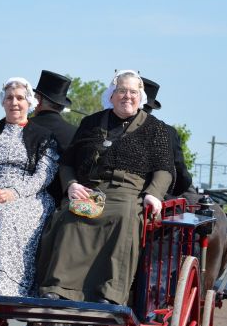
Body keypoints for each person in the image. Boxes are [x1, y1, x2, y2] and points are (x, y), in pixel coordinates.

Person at [37, 69, 175, 305]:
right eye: (121, 91)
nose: (127, 96)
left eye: (133, 92)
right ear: (111, 95)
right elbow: (67, 162)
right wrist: (71, 185)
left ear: (140, 96)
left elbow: (164, 169)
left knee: (124, 216)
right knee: (70, 217)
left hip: (128, 192)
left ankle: (109, 292)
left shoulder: (156, 128)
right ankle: (59, 287)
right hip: (90, 188)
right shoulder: (90, 123)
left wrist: (154, 194)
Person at [0, 77, 59, 296]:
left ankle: (14, 285)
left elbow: (45, 173)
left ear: (30, 102)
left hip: (27, 195)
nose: (14, 102)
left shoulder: (43, 136)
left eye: (20, 98)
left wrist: (15, 193)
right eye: (9, 98)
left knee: (9, 217)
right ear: (3, 102)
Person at [29, 70, 76, 205]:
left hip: (24, 202)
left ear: (38, 101)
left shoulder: (24, 128)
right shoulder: (75, 132)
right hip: (62, 206)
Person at [140, 77, 193, 196]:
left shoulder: (103, 126)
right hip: (154, 197)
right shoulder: (169, 132)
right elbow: (182, 176)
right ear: (151, 107)